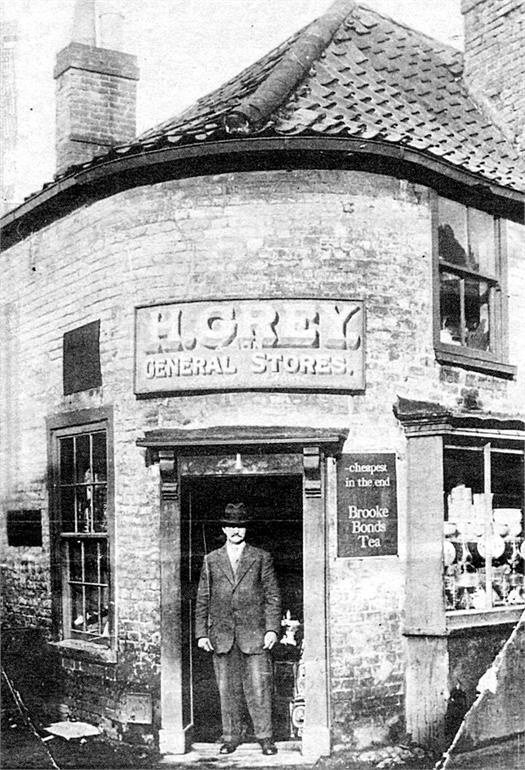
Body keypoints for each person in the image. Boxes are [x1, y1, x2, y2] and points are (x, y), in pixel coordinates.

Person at [195, 502, 281, 756]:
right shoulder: (211, 560)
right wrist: (201, 633)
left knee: (259, 689)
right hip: (222, 636)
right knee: (228, 690)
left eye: (240, 526)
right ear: (223, 528)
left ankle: (265, 737)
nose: (236, 531)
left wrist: (272, 629)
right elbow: (203, 598)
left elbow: (272, 595)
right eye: (231, 526)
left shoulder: (260, 557)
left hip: (254, 635)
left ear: (246, 529)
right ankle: (231, 737)